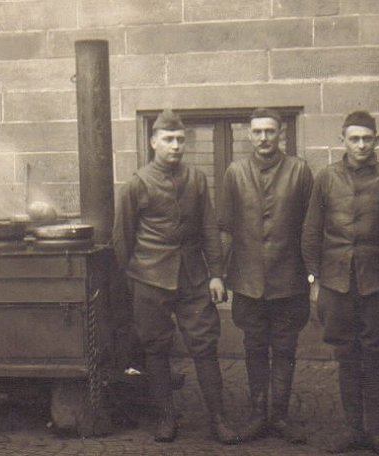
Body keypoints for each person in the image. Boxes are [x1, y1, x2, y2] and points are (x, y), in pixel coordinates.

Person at [112, 109, 237, 444]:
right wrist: (129, 284)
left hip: (193, 278)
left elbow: (210, 229)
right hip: (150, 277)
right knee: (155, 349)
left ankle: (218, 419)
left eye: (181, 139)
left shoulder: (196, 180)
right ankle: (165, 418)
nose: (176, 146)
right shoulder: (137, 184)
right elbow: (122, 239)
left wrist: (216, 275)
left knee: (205, 345)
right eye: (168, 139)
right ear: (153, 142)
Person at [301, 111, 379, 455]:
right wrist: (314, 280)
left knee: (375, 357)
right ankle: (353, 430)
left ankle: (375, 431)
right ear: (343, 140)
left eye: (367, 139)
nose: (361, 145)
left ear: (377, 141)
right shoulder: (326, 179)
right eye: (354, 139)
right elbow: (311, 233)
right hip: (337, 285)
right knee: (346, 356)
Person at [218, 108, 314, 444]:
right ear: (249, 134)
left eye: (270, 132)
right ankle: (258, 414)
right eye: (257, 132)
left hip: (290, 281)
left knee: (286, 348)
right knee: (254, 347)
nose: (263, 138)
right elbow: (225, 228)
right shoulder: (235, 172)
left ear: (281, 134)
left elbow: (311, 229)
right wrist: (219, 273)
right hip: (248, 282)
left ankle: (281, 416)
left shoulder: (300, 171)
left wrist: (313, 278)